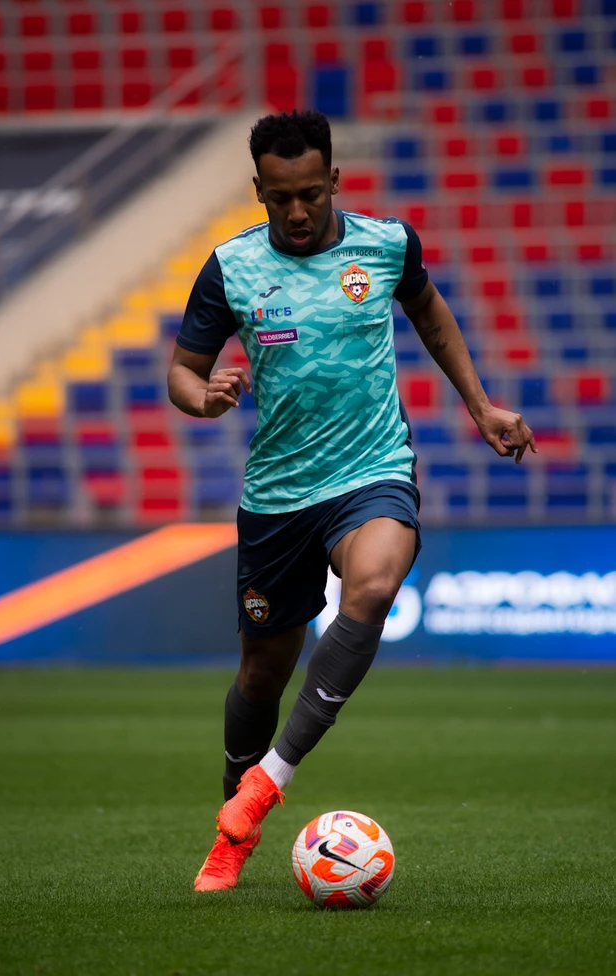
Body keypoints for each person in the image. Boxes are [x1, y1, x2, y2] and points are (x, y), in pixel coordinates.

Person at [167, 110, 537, 892]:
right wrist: (204, 397)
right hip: (277, 495)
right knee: (262, 674)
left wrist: (480, 406)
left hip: (372, 469)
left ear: (333, 179)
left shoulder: (387, 244)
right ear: (259, 191)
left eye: (310, 193)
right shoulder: (231, 267)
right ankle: (233, 818)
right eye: (280, 198)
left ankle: (265, 787)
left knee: (371, 587)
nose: (297, 211)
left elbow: (429, 311)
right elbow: (182, 370)